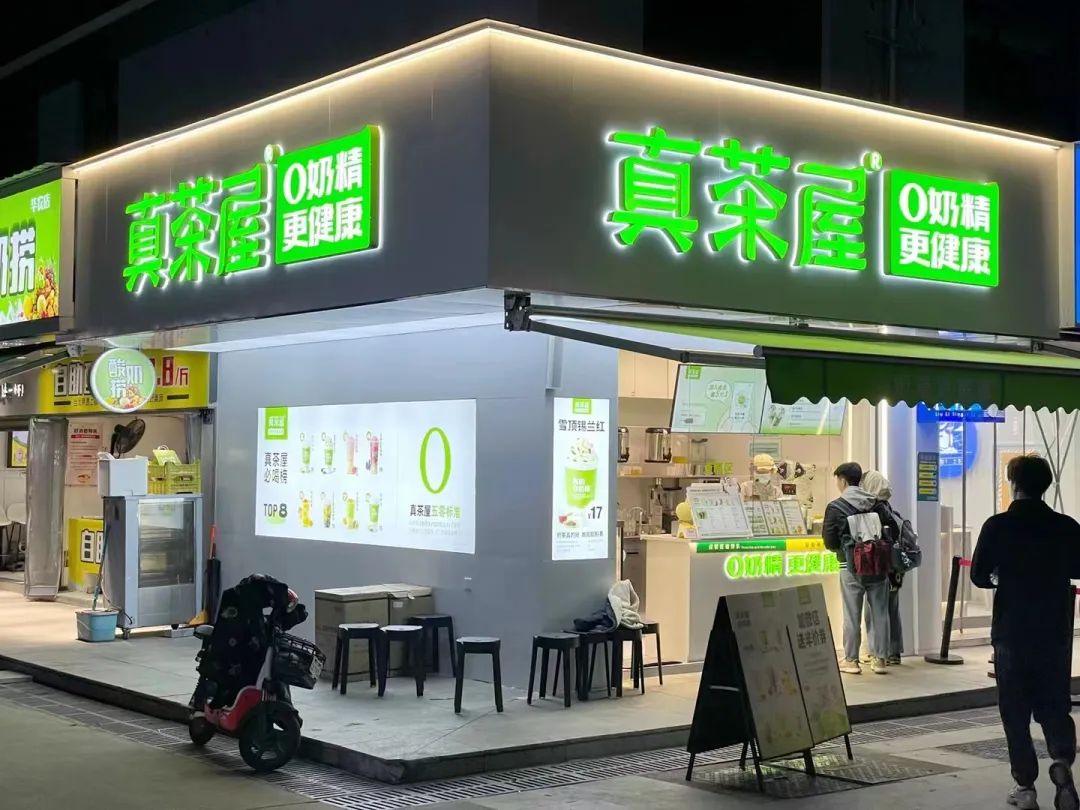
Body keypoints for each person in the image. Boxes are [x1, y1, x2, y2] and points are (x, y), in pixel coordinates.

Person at [971, 455, 1080, 810]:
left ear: (1013, 483)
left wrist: (1002, 575)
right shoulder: (1065, 526)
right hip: (1053, 630)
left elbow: (978, 575)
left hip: (1012, 630)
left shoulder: (998, 526)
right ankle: (1061, 759)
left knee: (1014, 711)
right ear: (1045, 486)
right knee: (1054, 704)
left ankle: (1025, 786)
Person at [822, 462, 890, 676]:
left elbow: (829, 541)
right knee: (880, 612)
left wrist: (845, 550)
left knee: (851, 615)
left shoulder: (835, 507)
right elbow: (892, 530)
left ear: (842, 480)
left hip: (850, 566)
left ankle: (851, 661)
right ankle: (879, 659)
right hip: (878, 565)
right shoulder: (876, 503)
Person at [859, 470, 903, 666]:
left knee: (875, 609)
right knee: (891, 608)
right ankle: (893, 651)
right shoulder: (889, 508)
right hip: (895, 566)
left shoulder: (874, 509)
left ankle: (877, 651)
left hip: (880, 565)